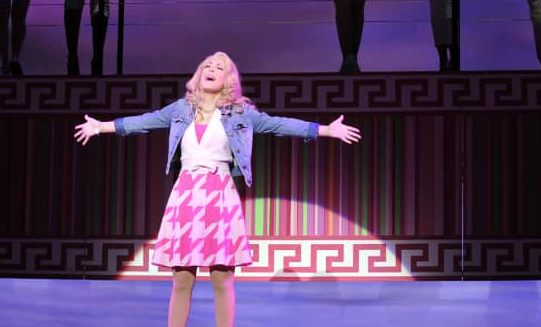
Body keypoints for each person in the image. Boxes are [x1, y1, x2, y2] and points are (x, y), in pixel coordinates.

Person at [73, 51, 361, 327]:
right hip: (185, 195)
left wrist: (326, 130)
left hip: (219, 194)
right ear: (199, 75)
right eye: (208, 66)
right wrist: (101, 126)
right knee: (182, 279)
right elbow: (144, 121)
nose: (211, 69)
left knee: (221, 279)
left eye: (219, 67)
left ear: (228, 80)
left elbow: (279, 125)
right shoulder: (180, 110)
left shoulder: (240, 113)